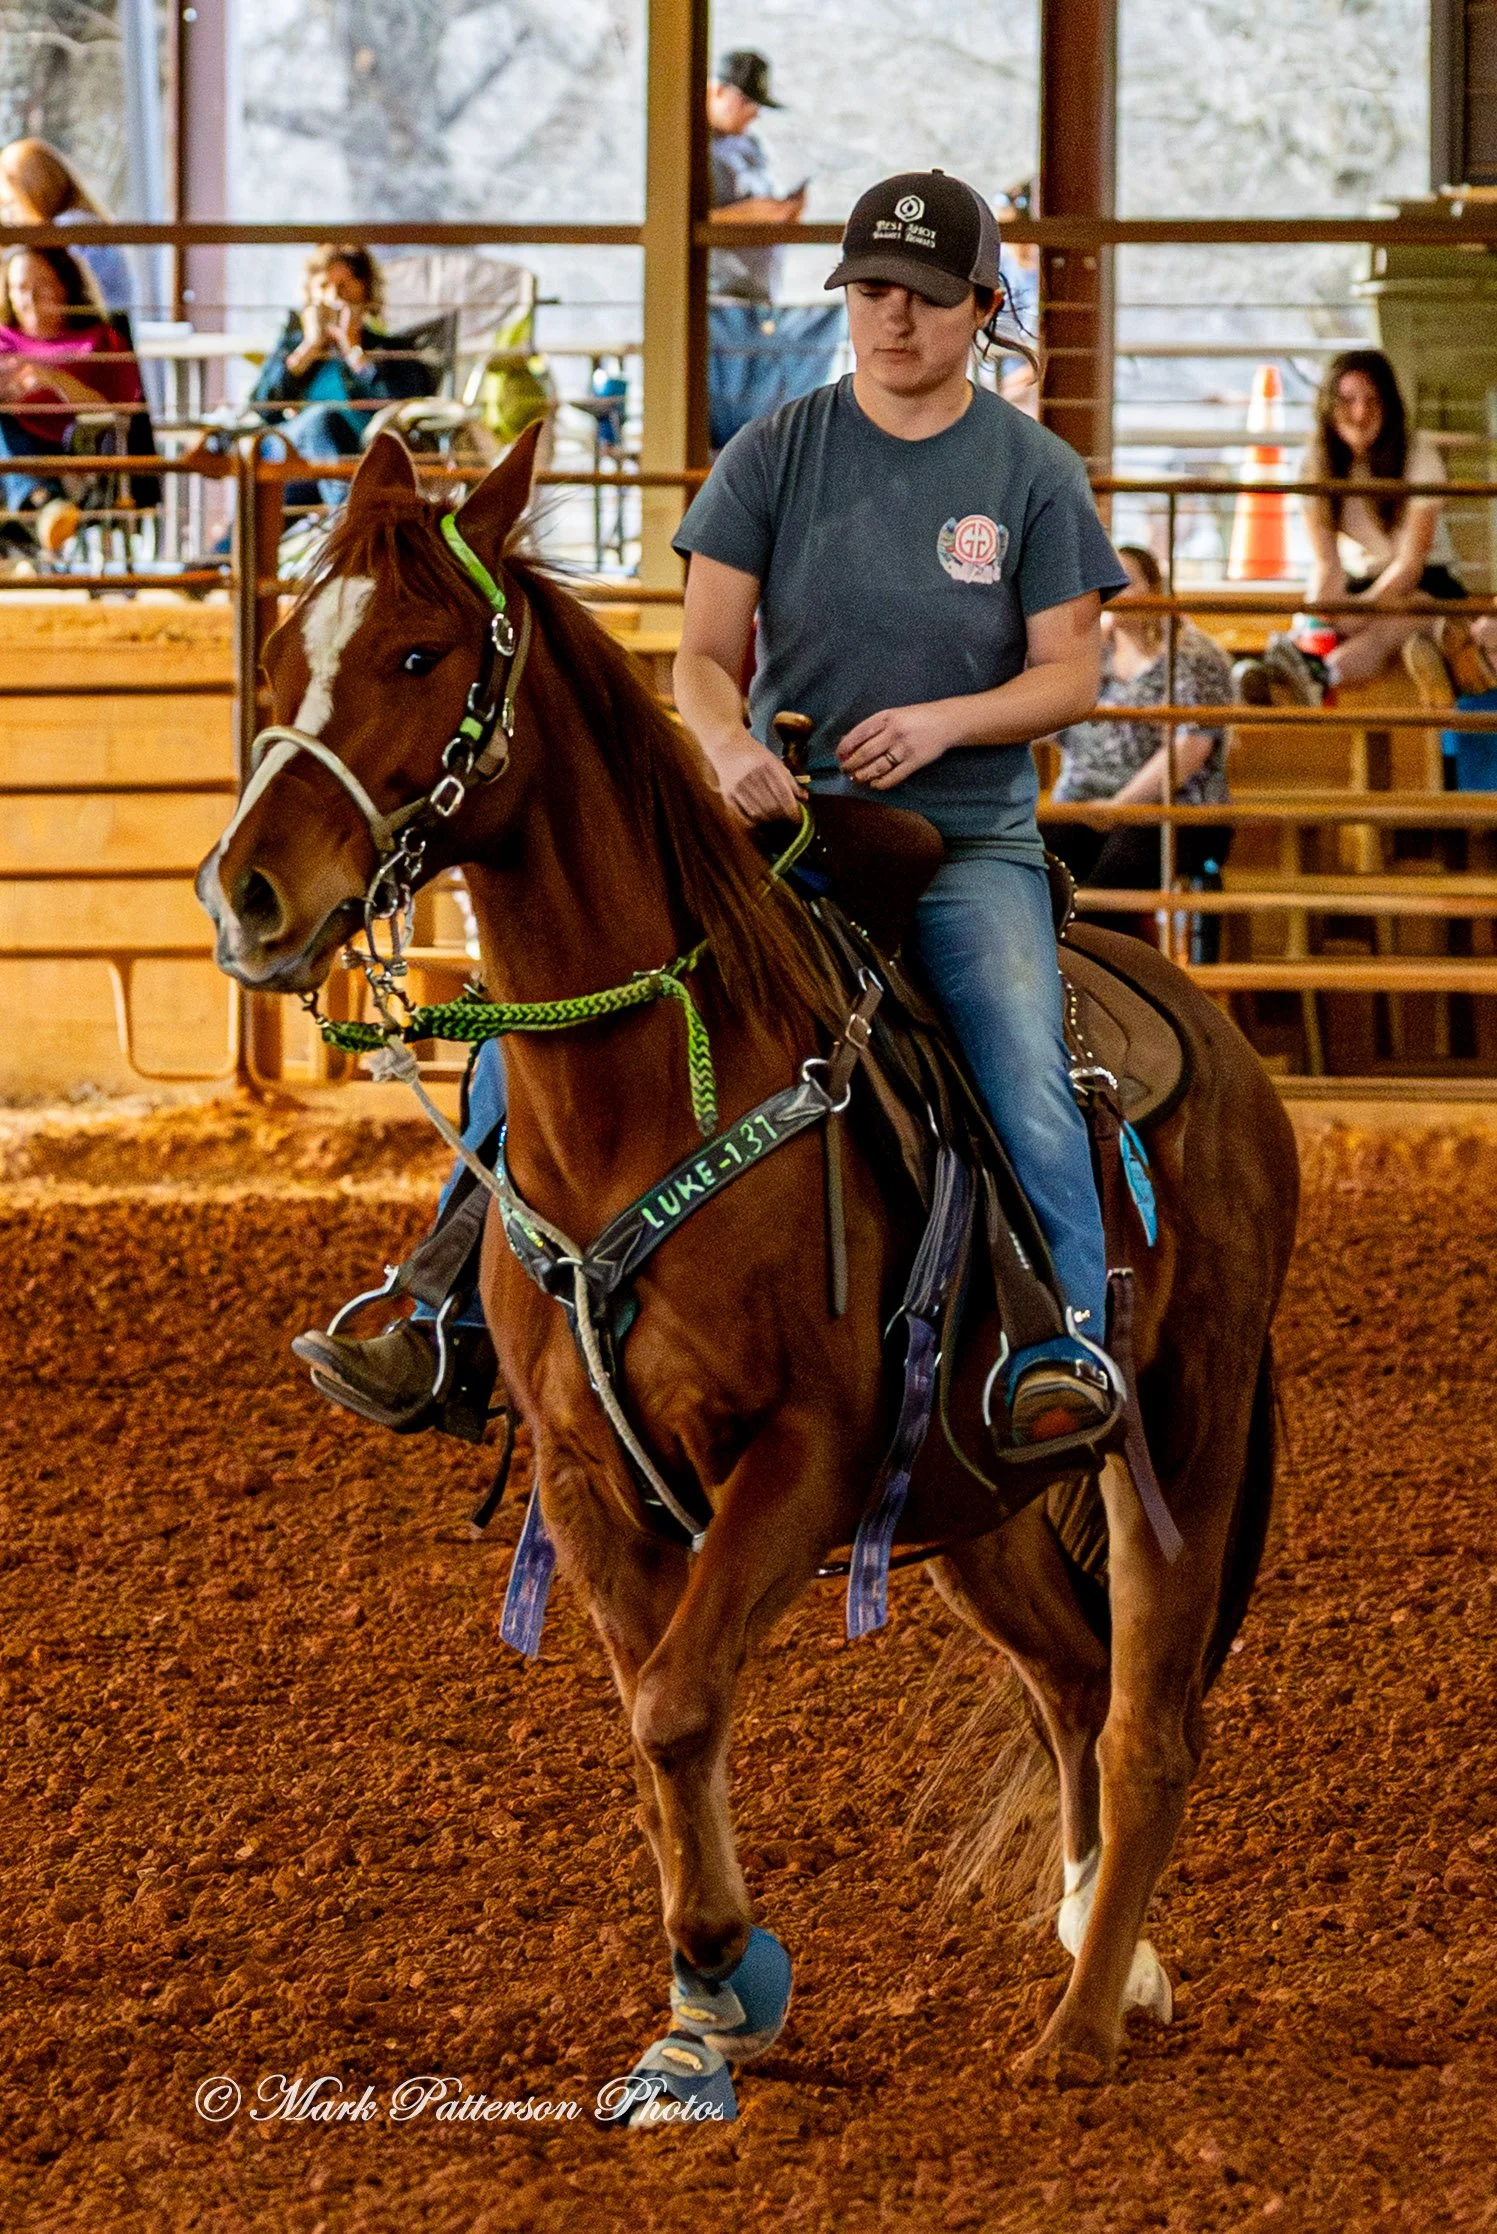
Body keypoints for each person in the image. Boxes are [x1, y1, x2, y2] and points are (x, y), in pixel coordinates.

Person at [296, 171, 1131, 1457]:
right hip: (781, 830)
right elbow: (700, 653)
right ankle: (447, 1307)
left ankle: (1062, 1340)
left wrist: (944, 722)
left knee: (1020, 1056)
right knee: (531, 1030)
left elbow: (1069, 672)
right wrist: (727, 739)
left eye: (919, 296)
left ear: (983, 307)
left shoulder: (1031, 472)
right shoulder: (779, 449)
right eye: (868, 291)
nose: (889, 319)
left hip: (963, 837)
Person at [1232, 348, 1464, 708]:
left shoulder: (1418, 455)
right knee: (1320, 619)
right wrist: (1316, 621)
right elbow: (1327, 565)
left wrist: (1360, 613)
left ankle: (1314, 677)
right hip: (1364, 581)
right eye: (1347, 401)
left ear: (1389, 406)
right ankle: (1297, 670)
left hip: (1425, 584)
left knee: (1383, 631)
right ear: (1328, 406)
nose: (1360, 413)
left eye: (1372, 401)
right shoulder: (1314, 464)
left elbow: (1410, 564)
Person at [1046, 543, 1232, 952]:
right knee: (1035, 861)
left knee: (1108, 884)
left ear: (1154, 587)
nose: (1111, 590)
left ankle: (1099, 988)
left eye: (1125, 580)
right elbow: (1041, 720)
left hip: (1174, 810)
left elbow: (1192, 747)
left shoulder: (1193, 654)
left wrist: (1120, 807)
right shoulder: (1091, 652)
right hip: (1083, 803)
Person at [250, 244, 432, 510]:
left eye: (345, 286)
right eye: (324, 287)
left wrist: (354, 351)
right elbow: (262, 408)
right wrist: (307, 351)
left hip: (359, 459)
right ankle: (351, 519)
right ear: (310, 294)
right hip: (292, 460)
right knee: (320, 420)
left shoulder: (389, 350)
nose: (335, 298)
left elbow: (403, 406)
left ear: (366, 291)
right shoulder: (292, 347)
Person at [0, 245, 145, 548]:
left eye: (42, 287)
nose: (30, 301)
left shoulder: (99, 341)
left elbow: (120, 411)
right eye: (19, 289)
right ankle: (43, 507)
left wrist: (53, 379)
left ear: (64, 286)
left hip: (76, 445)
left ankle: (42, 506)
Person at [0, 138, 138, 320]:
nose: (9, 216)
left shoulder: (67, 230)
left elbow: (71, 296)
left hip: (95, 334)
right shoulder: (83, 223)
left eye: (11, 203)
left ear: (30, 194)